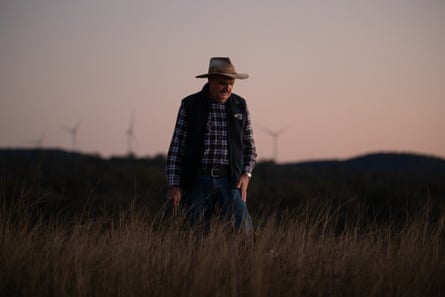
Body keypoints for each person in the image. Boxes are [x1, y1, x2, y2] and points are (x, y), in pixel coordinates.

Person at [166, 57, 257, 236]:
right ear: (210, 81)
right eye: (223, 83)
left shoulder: (240, 105)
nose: (228, 88)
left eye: (231, 83)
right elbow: (176, 148)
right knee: (195, 237)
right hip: (197, 181)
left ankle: (249, 265)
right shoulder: (190, 105)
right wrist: (174, 185)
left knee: (245, 234)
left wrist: (246, 174)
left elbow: (250, 147)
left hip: (230, 182)